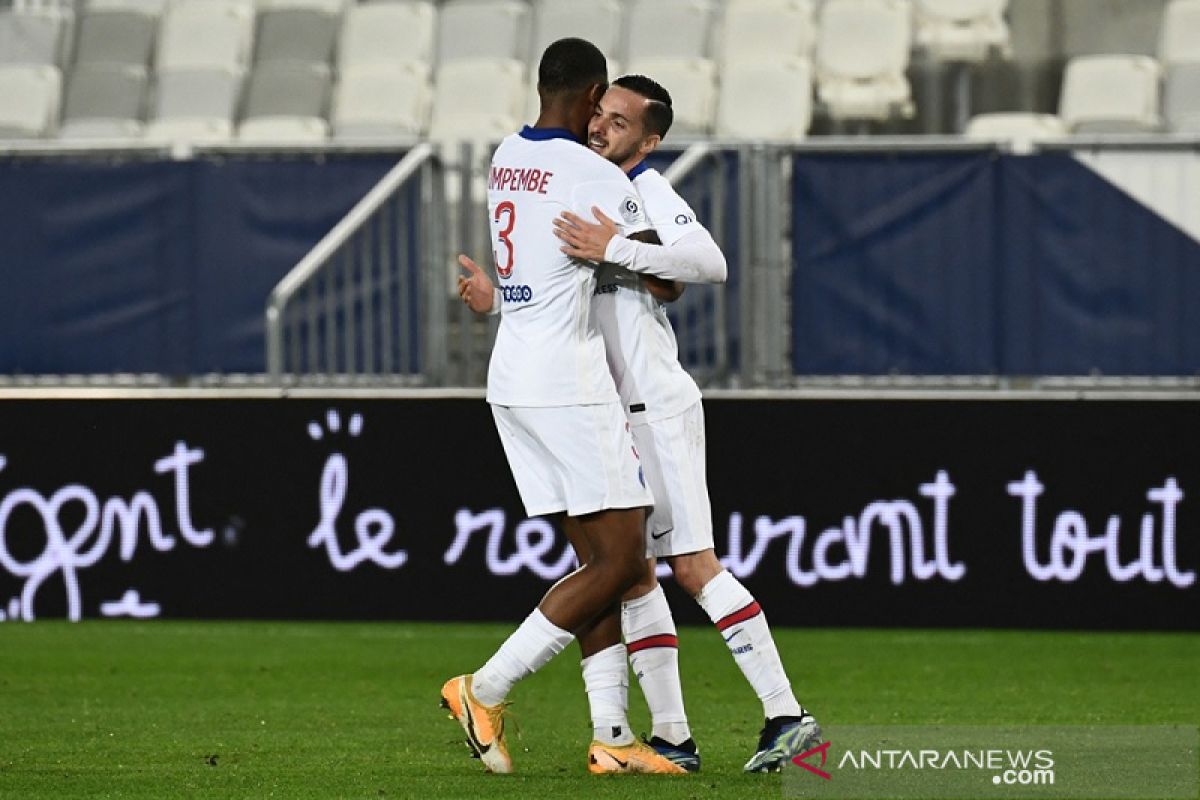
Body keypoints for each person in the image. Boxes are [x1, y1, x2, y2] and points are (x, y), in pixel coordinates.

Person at [459, 75, 823, 774]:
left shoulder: (648, 191)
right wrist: (498, 298)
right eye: (600, 114)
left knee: (692, 566)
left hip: (654, 406)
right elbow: (570, 296)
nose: (601, 128)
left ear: (649, 141)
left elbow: (706, 264)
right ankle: (673, 739)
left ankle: (786, 715)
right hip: (598, 406)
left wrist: (616, 247)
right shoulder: (585, 187)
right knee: (631, 578)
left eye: (620, 122)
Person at [440, 38, 685, 776]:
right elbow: (666, 276)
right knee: (621, 558)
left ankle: (612, 736)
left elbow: (533, 267)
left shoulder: (505, 155)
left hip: (513, 369)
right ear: (590, 98)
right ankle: (483, 688)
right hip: (567, 381)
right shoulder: (590, 170)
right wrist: (621, 243)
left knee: (596, 559)